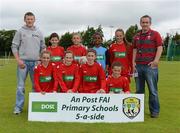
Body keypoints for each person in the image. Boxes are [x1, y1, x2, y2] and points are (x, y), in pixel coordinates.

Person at [11, 12, 46, 114]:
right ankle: (18, 108)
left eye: (31, 19)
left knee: (36, 85)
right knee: (20, 86)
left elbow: (43, 47)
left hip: (36, 63)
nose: (29, 21)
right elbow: (14, 46)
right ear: (24, 20)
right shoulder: (20, 31)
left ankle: (34, 107)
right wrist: (18, 60)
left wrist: (41, 60)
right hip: (23, 63)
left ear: (34, 20)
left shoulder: (39, 32)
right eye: (28, 19)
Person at [133, 15, 163, 118]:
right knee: (139, 90)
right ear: (140, 23)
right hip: (138, 66)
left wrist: (156, 61)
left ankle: (154, 111)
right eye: (143, 22)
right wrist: (133, 62)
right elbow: (134, 50)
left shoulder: (155, 34)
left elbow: (160, 47)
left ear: (150, 23)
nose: (145, 24)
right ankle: (138, 111)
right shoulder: (136, 36)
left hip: (150, 67)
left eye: (147, 22)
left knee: (153, 90)